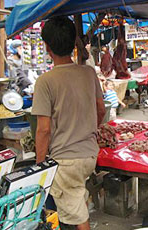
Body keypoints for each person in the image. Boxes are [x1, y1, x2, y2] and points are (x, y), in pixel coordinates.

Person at [31, 17, 106, 230]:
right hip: (90, 155)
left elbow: (43, 130)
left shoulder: (45, 81)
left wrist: (39, 167)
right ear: (74, 43)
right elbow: (100, 110)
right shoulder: (88, 72)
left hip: (66, 161)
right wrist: (88, 129)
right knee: (75, 200)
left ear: (47, 47)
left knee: (76, 217)